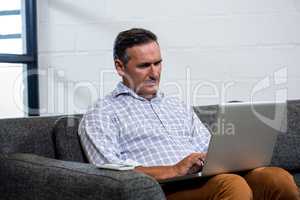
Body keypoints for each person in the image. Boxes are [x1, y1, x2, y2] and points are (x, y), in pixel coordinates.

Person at [78, 28, 300, 200]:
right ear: (120, 67)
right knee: (231, 185)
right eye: (144, 66)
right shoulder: (102, 112)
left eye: (158, 63)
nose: (154, 73)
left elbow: (208, 148)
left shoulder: (177, 105)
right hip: (165, 190)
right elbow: (109, 173)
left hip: (205, 178)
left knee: (277, 178)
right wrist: (174, 169)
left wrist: (223, 157)